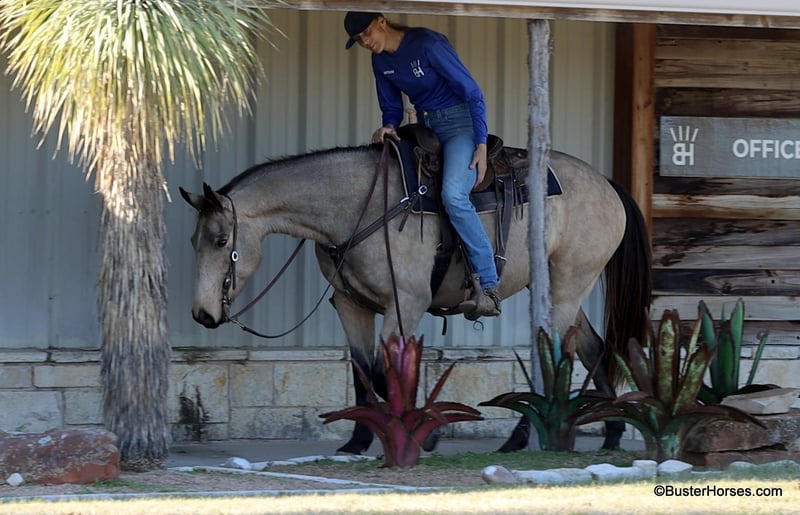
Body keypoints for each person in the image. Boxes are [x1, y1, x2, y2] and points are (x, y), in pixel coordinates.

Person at [343, 11, 501, 320]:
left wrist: (481, 142)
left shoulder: (428, 44)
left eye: (366, 33)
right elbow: (391, 105)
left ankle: (489, 285)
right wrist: (389, 125)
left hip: (458, 125)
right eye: (359, 40)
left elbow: (472, 92)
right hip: (424, 127)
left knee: (454, 196)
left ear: (382, 21)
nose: (365, 41)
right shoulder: (379, 60)